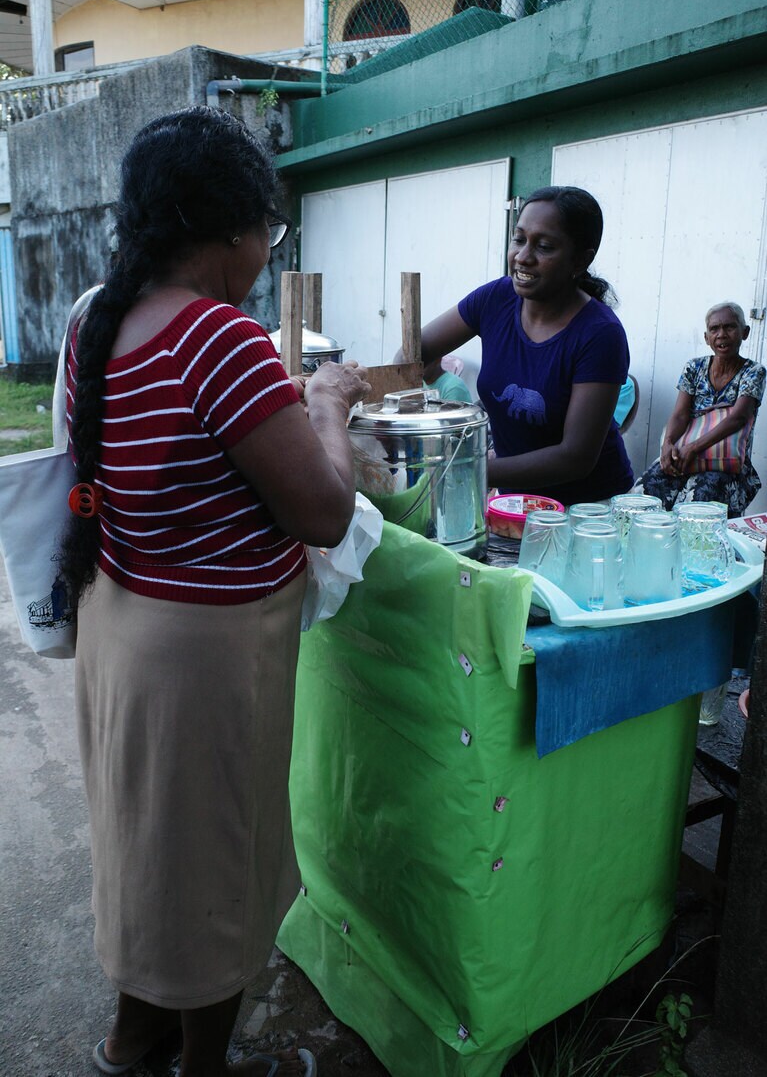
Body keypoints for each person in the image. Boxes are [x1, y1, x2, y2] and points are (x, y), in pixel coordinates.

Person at [59, 107, 370, 1077]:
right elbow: (322, 512)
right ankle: (201, 1064)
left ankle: (132, 1040)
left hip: (123, 618)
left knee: (151, 853)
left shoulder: (95, 320)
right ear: (230, 227)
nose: (264, 252)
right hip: (206, 654)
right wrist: (325, 404)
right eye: (265, 230)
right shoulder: (217, 339)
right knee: (215, 870)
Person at [416, 185, 633, 505]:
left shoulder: (600, 335)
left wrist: (469, 467)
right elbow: (414, 352)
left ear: (580, 260)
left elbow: (575, 457)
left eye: (544, 247)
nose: (522, 256)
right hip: (515, 500)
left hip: (588, 510)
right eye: (519, 239)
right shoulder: (495, 299)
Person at [634, 301, 765, 517]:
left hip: (724, 461)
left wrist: (694, 448)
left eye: (729, 327)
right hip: (685, 454)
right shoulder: (694, 367)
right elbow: (680, 414)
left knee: (699, 505)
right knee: (645, 494)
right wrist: (667, 444)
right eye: (714, 329)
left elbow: (739, 418)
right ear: (706, 337)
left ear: (745, 332)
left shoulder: (753, 372)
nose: (721, 335)